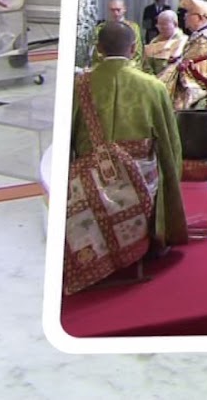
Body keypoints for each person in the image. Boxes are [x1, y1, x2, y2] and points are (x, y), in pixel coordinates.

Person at [71, 21, 187, 251]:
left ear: (99, 48)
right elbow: (169, 142)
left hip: (90, 180)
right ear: (134, 48)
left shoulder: (79, 85)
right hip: (141, 177)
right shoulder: (153, 87)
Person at [160, 0, 207, 110]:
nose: (185, 17)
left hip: (195, 84)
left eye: (188, 14)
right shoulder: (199, 35)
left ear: (199, 17)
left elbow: (191, 65)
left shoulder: (204, 39)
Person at [91, 0, 143, 66]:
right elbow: (97, 50)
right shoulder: (101, 28)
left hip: (128, 66)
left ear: (124, 9)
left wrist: (128, 66)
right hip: (105, 66)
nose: (115, 13)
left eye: (118, 10)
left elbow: (137, 50)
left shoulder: (133, 27)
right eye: (112, 10)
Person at [140, 9, 187, 79]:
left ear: (175, 24)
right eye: (159, 24)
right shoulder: (154, 42)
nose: (161, 27)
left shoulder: (185, 41)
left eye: (164, 24)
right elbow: (146, 65)